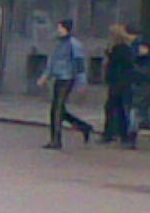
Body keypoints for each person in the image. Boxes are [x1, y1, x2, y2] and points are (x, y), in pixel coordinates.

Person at [38, 19, 94, 149]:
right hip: (59, 78)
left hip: (67, 78)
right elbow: (52, 62)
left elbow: (79, 64)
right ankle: (84, 127)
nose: (58, 30)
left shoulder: (74, 44)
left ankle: (56, 140)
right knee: (59, 109)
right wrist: (45, 76)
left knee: (56, 109)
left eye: (60, 28)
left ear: (66, 29)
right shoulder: (59, 43)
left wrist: (82, 83)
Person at [99, 23, 137, 143]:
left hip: (119, 82)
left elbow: (125, 64)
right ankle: (121, 134)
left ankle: (111, 134)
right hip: (117, 82)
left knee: (111, 108)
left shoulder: (122, 49)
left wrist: (110, 55)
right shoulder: (119, 48)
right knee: (118, 109)